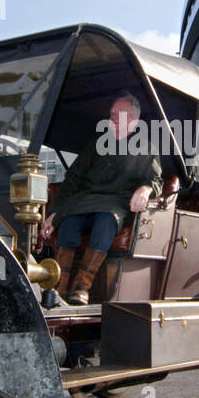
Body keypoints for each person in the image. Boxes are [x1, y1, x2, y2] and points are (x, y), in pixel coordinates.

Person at [40, 91, 162, 306]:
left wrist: (145, 189)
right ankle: (59, 287)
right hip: (82, 203)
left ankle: (81, 287)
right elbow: (72, 180)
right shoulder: (96, 144)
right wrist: (54, 214)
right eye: (111, 113)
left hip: (114, 206)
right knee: (67, 225)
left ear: (134, 120)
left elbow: (156, 180)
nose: (112, 117)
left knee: (106, 221)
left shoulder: (145, 148)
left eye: (119, 113)